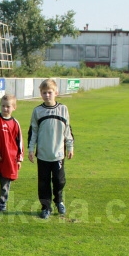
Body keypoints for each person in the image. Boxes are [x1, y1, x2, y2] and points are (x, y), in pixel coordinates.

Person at [27, 78, 74, 219]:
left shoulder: (63, 109)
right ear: (40, 94)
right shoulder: (38, 111)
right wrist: (31, 149)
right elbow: (33, 131)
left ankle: (59, 201)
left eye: (50, 92)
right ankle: (46, 207)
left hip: (58, 153)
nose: (47, 95)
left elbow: (67, 130)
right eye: (44, 92)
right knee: (43, 182)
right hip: (42, 154)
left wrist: (70, 146)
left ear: (56, 92)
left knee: (59, 181)